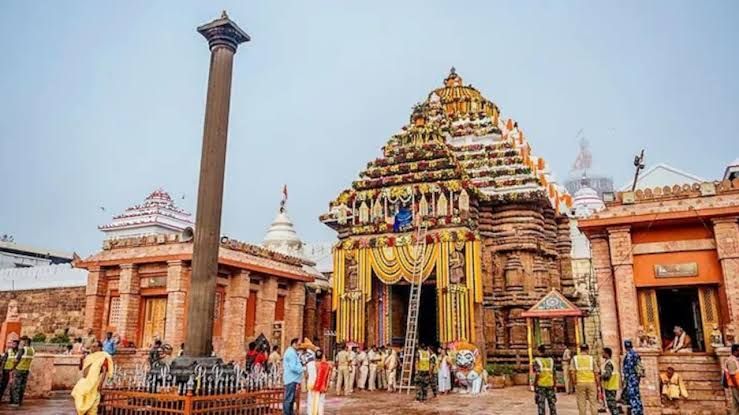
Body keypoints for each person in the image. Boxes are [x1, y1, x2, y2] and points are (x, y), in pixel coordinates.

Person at [71, 340, 113, 415]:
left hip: (94, 382)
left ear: (99, 348)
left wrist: (101, 384)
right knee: (78, 396)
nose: (92, 348)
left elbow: (104, 371)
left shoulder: (103, 356)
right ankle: (80, 411)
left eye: (94, 347)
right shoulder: (89, 356)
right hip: (84, 381)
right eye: (92, 346)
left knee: (92, 402)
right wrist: (81, 359)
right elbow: (81, 368)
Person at [570, 343, 598, 415]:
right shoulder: (591, 358)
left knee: (581, 402)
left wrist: (574, 382)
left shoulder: (575, 359)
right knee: (593, 402)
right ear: (587, 350)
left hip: (580, 382)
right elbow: (596, 372)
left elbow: (572, 372)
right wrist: (597, 383)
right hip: (591, 382)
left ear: (580, 349)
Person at [7, 336, 34, 406]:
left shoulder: (22, 349)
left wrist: (13, 368)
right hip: (26, 370)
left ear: (25, 342)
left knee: (16, 386)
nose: (20, 343)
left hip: (19, 369)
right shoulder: (32, 350)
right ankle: (20, 401)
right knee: (22, 386)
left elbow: (17, 359)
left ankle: (16, 402)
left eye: (21, 341)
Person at [621, 340, 644, 415]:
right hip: (635, 377)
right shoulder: (635, 354)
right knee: (636, 394)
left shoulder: (629, 355)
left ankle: (635, 411)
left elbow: (628, 367)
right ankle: (639, 410)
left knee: (632, 395)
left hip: (631, 377)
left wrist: (625, 379)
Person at [306, 349, 332, 415]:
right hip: (321, 385)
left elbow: (306, 374)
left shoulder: (309, 364)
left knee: (310, 400)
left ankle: (310, 413)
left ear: (315, 356)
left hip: (311, 383)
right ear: (322, 356)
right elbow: (328, 377)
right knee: (320, 401)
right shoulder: (326, 365)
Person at [282, 338, 304, 415]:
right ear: (293, 344)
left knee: (291, 399)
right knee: (289, 398)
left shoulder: (292, 352)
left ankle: (290, 413)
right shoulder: (291, 353)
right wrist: (302, 369)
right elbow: (293, 367)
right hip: (291, 379)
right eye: (298, 344)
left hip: (293, 379)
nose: (299, 346)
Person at [534, 345, 557, 415]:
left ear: (539, 351)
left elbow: (537, 374)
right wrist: (555, 383)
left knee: (541, 404)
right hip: (550, 383)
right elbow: (554, 373)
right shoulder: (551, 360)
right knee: (552, 403)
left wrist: (535, 383)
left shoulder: (537, 360)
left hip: (541, 384)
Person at [600, 347, 620, 415]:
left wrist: (600, 376)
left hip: (610, 385)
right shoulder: (609, 362)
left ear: (607, 354)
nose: (601, 354)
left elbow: (607, 375)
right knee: (611, 403)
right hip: (611, 385)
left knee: (611, 403)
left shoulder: (609, 363)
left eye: (603, 352)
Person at [724, 343, 739, 415]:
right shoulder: (731, 361)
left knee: (735, 404)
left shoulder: (735, 360)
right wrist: (737, 386)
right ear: (736, 351)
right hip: (736, 385)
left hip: (736, 384)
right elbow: (732, 375)